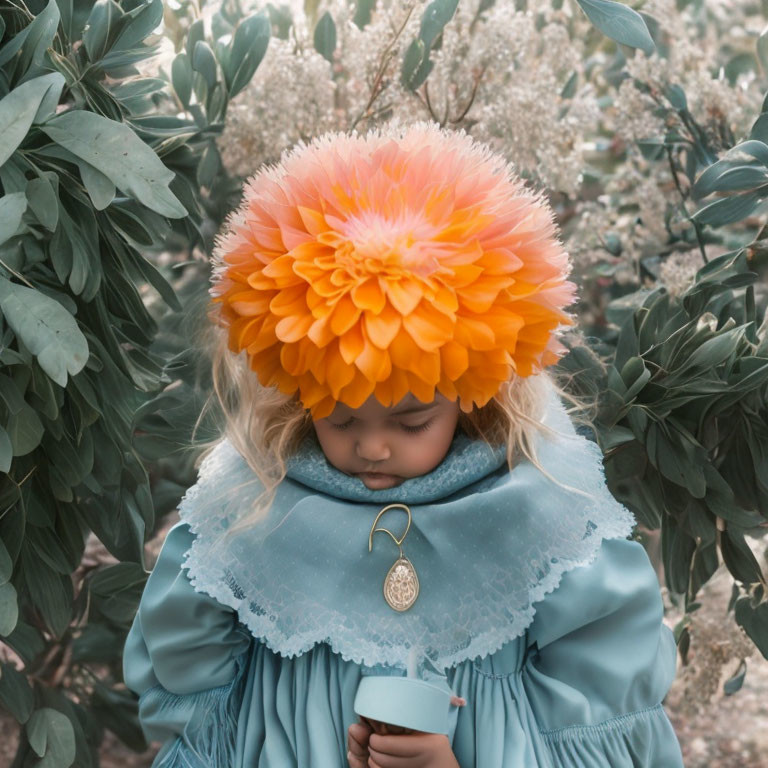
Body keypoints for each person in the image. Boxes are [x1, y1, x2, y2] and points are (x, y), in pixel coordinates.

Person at [122, 120, 685, 767]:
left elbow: (600, 709)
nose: (374, 449)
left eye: (412, 422)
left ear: (477, 390)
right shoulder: (255, 499)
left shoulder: (540, 510)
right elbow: (190, 675)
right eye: (338, 419)